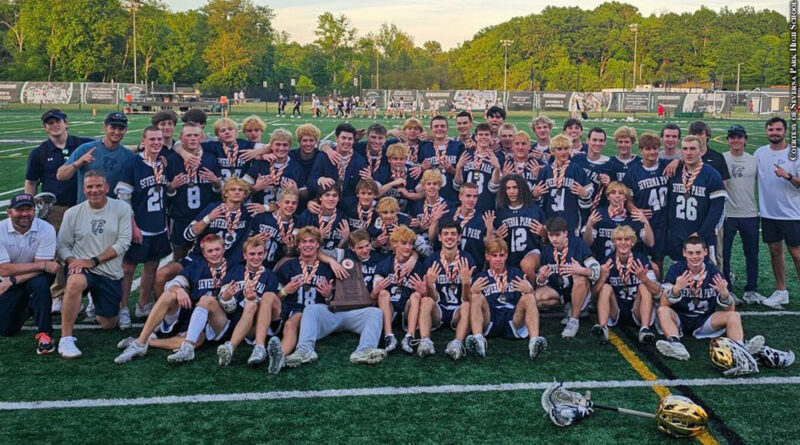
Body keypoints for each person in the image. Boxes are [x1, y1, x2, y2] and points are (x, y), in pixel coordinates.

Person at [113, 234, 229, 364]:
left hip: (217, 319)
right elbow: (173, 283)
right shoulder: (196, 266)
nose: (214, 254)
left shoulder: (233, 267)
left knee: (206, 308)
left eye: (217, 249)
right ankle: (141, 342)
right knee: (170, 294)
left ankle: (147, 341)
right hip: (194, 313)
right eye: (210, 250)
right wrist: (178, 290)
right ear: (204, 254)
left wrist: (227, 298)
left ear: (224, 249)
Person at [56, 170, 132, 358]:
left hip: (108, 271)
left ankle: (93, 300)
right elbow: (62, 245)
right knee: (74, 282)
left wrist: (93, 261)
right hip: (82, 268)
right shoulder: (73, 213)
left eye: (99, 186)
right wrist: (73, 261)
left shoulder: (121, 208)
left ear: (107, 187)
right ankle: (65, 339)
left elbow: (123, 242)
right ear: (84, 189)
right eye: (90, 186)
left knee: (108, 324)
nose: (94, 190)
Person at [655, 236, 766, 361]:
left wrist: (725, 294)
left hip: (704, 319)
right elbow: (663, 302)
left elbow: (730, 308)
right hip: (679, 318)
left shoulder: (713, 272)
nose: (694, 257)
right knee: (662, 310)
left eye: (698, 252)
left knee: (734, 316)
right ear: (684, 253)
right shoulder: (676, 270)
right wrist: (676, 289)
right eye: (690, 253)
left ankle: (739, 349)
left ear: (705, 252)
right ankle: (676, 345)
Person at [115, 127, 172, 328]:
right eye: (152, 139)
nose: (156, 142)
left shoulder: (163, 164)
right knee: (128, 268)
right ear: (144, 141)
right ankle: (122, 309)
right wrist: (132, 226)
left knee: (151, 266)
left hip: (157, 226)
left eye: (159, 139)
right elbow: (123, 198)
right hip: (139, 225)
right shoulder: (133, 163)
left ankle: (142, 304)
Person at [464, 238, 546, 360]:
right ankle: (479, 341)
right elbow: (466, 301)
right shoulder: (481, 277)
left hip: (513, 317)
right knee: (476, 297)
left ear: (506, 256)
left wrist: (529, 289)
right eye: (494, 255)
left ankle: (534, 342)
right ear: (487, 256)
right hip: (490, 317)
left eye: (501, 255)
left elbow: (532, 301)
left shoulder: (516, 274)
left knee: (529, 297)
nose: (498, 259)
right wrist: (470, 289)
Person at [0, 194, 60, 354]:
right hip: (10, 278)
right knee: (6, 330)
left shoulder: (46, 229)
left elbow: (43, 271)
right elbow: (3, 269)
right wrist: (43, 265)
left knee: (40, 284)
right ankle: (30, 307)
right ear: (9, 212)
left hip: (33, 278)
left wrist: (12, 280)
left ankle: (45, 334)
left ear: (34, 211)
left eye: (29, 209)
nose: (25, 213)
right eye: (20, 210)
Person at [754, 117, 800, 308]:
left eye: (778, 130)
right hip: (769, 213)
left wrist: (788, 176)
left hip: (792, 214)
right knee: (775, 251)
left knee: (796, 253)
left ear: (785, 132)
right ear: (767, 132)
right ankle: (781, 291)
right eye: (771, 129)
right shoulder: (759, 153)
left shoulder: (795, 154)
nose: (774, 133)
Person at [216, 237, 280, 367]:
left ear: (265, 254)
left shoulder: (270, 276)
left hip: (257, 324)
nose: (256, 257)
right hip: (235, 320)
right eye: (252, 254)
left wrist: (254, 300)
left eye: (260, 253)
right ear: (245, 255)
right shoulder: (234, 271)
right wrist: (227, 298)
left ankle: (231, 347)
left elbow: (266, 307)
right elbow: (227, 307)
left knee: (252, 304)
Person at [25, 109, 94, 229]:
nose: (54, 125)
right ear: (45, 128)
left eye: (58, 121)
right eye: (50, 123)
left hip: (84, 206)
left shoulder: (83, 144)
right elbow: (31, 182)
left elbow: (110, 148)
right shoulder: (39, 152)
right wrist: (30, 207)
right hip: (55, 210)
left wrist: (137, 147)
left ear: (66, 123)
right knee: (57, 245)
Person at [591, 226, 660, 345]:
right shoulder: (607, 261)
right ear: (613, 242)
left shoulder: (641, 260)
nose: (623, 243)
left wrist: (644, 278)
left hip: (637, 309)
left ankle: (644, 329)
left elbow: (657, 291)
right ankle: (603, 327)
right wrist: (602, 278)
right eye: (619, 239)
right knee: (605, 287)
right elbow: (593, 296)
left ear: (632, 242)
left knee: (645, 287)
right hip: (616, 309)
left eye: (627, 239)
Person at [164, 123, 222, 263]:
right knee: (179, 256)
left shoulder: (210, 158)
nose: (192, 139)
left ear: (201, 137)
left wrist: (215, 182)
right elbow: (165, 192)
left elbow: (219, 190)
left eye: (196, 135)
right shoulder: (172, 159)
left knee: (207, 256)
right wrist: (172, 186)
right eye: (188, 135)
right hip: (180, 215)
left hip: (204, 216)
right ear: (181, 138)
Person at [533, 217, 600, 339]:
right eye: (550, 235)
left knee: (579, 277)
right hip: (559, 289)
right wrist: (541, 278)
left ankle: (574, 320)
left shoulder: (578, 244)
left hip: (580, 288)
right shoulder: (547, 249)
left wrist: (581, 270)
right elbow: (541, 281)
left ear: (565, 233)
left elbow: (596, 270)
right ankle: (568, 305)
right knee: (537, 298)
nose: (553, 239)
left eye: (557, 235)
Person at [666, 136, 727, 264]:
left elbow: (717, 209)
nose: (689, 152)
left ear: (701, 151)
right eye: (685, 149)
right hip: (678, 234)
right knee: (679, 273)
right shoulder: (674, 173)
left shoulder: (712, 175)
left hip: (702, 236)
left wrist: (702, 233)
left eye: (693, 149)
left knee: (703, 277)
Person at [721, 125, 763, 305]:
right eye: (732, 137)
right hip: (727, 214)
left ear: (745, 139)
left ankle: (751, 289)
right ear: (728, 140)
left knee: (752, 253)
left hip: (750, 214)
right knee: (725, 255)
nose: (736, 140)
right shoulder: (722, 159)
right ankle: (727, 289)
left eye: (739, 137)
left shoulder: (754, 160)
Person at [423, 220, 475, 360]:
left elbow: (467, 298)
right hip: (438, 309)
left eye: (453, 234)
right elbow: (432, 298)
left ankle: (457, 343)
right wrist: (429, 285)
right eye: (446, 234)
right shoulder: (432, 260)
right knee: (426, 300)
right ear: (439, 237)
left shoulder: (467, 259)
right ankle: (425, 341)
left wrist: (465, 283)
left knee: (467, 305)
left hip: (458, 310)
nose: (449, 237)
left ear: (459, 237)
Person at [56, 112, 135, 202]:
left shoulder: (128, 156)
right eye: (113, 128)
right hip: (87, 209)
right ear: (105, 127)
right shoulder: (86, 149)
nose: (116, 132)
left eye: (121, 129)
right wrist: (78, 163)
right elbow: (60, 175)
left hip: (113, 211)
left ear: (125, 130)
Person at [371, 225, 427, 354]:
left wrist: (423, 291)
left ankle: (409, 336)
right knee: (383, 293)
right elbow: (372, 298)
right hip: (390, 309)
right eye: (404, 243)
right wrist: (376, 290)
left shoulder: (418, 266)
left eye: (410, 243)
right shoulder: (384, 264)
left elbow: (426, 298)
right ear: (394, 244)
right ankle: (389, 336)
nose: (408, 247)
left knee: (416, 296)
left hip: (408, 310)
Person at [624, 132, 671, 278]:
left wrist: (677, 161)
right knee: (640, 259)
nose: (652, 152)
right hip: (642, 222)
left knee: (659, 259)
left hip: (661, 221)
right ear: (641, 150)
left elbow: (684, 163)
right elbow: (627, 198)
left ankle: (658, 290)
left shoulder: (666, 166)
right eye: (648, 149)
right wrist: (635, 210)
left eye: (655, 148)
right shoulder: (633, 172)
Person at [535, 134, 593, 235]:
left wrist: (585, 195)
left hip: (570, 221)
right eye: (559, 149)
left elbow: (587, 201)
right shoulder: (545, 171)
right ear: (553, 151)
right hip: (550, 221)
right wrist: (535, 195)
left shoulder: (576, 169)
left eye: (566, 148)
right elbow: (539, 201)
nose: (563, 152)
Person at [244, 128, 303, 209]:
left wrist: (296, 192)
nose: (281, 148)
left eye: (285, 145)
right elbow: (240, 191)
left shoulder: (296, 167)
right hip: (259, 215)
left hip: (284, 216)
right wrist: (255, 188)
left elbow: (303, 197)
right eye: (278, 144)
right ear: (271, 146)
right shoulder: (259, 164)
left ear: (290, 147)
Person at [308, 123, 367, 198]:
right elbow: (311, 182)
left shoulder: (359, 161)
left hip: (348, 205)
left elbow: (361, 188)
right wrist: (320, 180)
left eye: (350, 139)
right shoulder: (324, 157)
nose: (346, 142)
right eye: (343, 138)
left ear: (353, 140)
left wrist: (368, 179)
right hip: (326, 202)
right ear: (336, 139)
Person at [454, 123, 502, 213]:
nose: (483, 137)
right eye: (480, 134)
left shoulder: (497, 157)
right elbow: (458, 186)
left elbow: (494, 188)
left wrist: (497, 169)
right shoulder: (466, 154)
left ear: (491, 137)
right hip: (465, 206)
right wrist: (458, 168)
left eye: (487, 134)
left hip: (486, 206)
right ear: (475, 137)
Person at [418, 115, 463, 203]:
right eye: (436, 126)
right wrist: (422, 169)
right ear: (431, 129)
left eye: (442, 126)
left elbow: (464, 176)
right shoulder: (424, 147)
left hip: (452, 198)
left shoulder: (458, 146)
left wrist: (451, 169)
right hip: (430, 199)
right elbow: (419, 176)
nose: (439, 129)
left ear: (447, 128)